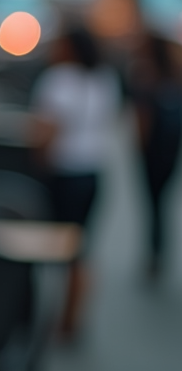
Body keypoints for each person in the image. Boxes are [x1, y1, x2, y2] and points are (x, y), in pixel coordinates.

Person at [31, 25, 121, 334]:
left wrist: (38, 160)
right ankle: (72, 318)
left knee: (55, 247)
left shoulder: (57, 80)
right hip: (93, 170)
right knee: (81, 249)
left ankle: (48, 317)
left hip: (64, 171)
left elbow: (47, 131)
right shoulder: (104, 79)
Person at [130, 32, 182, 279]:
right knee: (161, 203)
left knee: (154, 203)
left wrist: (139, 147)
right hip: (170, 150)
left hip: (152, 152)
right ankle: (158, 251)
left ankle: (155, 253)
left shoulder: (146, 76)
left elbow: (143, 119)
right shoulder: (174, 76)